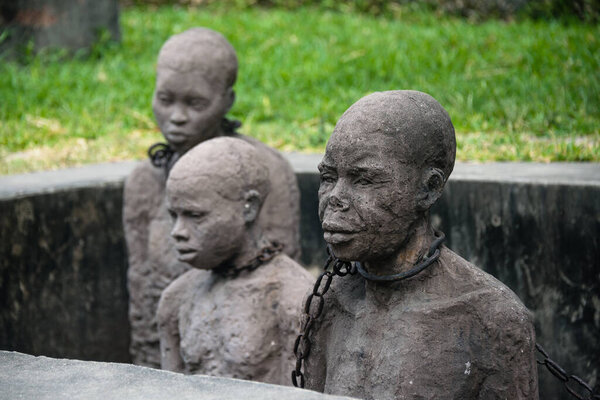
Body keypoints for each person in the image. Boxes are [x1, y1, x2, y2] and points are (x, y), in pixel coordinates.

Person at [302, 90, 538, 399]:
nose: (335, 199)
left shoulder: (490, 319)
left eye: (364, 180)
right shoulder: (330, 301)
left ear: (429, 189)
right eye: (329, 177)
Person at [123, 27, 300, 367]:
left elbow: (279, 282)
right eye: (165, 100)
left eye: (195, 103)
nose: (176, 117)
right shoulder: (144, 182)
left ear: (227, 101)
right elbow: (142, 295)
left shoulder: (266, 172)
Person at [157, 137, 313, 384]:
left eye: (194, 215)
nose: (178, 231)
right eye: (173, 215)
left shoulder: (292, 299)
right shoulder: (175, 300)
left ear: (248, 208)